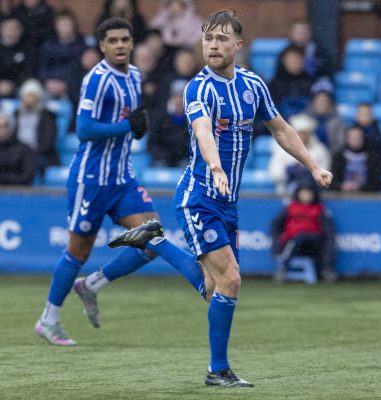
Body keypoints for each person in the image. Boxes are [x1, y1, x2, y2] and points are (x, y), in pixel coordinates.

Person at [110, 10, 332, 387]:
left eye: (221, 38)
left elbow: (280, 128)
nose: (213, 45)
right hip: (199, 196)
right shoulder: (199, 88)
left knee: (213, 288)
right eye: (208, 38)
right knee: (231, 279)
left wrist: (312, 166)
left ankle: (154, 241)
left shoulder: (253, 84)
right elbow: (202, 131)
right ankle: (218, 370)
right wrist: (215, 167)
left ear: (238, 45)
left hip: (227, 201)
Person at [35, 17, 207, 347]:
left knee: (151, 236)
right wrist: (128, 126)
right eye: (112, 40)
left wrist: (137, 127)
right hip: (92, 179)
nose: (119, 45)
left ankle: (92, 284)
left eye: (124, 40)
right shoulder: (97, 80)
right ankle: (48, 319)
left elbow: (130, 123)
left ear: (132, 43)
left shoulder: (134, 75)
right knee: (78, 251)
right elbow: (84, 129)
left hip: (122, 177)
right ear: (102, 45)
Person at [270, 182, 336, 282]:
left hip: (314, 241)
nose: (306, 195)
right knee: (297, 239)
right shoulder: (291, 208)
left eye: (309, 193)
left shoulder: (319, 209)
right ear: (298, 194)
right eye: (303, 193)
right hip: (295, 240)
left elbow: (328, 230)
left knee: (328, 242)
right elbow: (275, 225)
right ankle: (282, 269)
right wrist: (277, 240)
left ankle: (326, 270)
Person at [268, 113, 331, 194]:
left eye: (305, 133)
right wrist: (288, 171)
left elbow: (325, 174)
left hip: (312, 191)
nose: (302, 136)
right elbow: (274, 174)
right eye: (299, 133)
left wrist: (308, 173)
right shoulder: (282, 150)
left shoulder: (320, 150)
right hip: (286, 191)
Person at [14, 79, 59, 179]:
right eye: (27, 96)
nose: (30, 99)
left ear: (39, 98)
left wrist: (32, 152)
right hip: (19, 152)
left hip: (40, 153)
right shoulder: (17, 113)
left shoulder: (47, 116)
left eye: (33, 96)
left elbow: (49, 140)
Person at [38, 9, 86, 99]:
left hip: (74, 86)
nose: (65, 27)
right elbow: (42, 67)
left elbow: (80, 69)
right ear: (56, 26)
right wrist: (48, 82)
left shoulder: (82, 45)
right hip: (50, 85)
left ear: (73, 25)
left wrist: (67, 83)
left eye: (67, 24)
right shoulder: (48, 45)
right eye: (61, 24)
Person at [330, 125, 381, 192]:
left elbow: (376, 182)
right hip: (340, 195)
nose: (356, 140)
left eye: (358, 137)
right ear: (347, 139)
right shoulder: (338, 157)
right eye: (353, 137)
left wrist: (361, 188)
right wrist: (341, 186)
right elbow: (332, 181)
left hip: (367, 195)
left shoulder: (372, 157)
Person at [268, 44, 314, 119]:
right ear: (284, 60)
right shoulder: (274, 84)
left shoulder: (311, 82)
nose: (295, 62)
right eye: (292, 58)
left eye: (298, 58)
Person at [0, 16, 35, 98]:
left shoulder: (28, 46)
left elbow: (29, 69)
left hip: (21, 84)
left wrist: (14, 84)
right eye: (10, 29)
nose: (13, 31)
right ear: (1, 30)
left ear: (21, 30)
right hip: (1, 84)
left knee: (32, 87)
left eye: (16, 28)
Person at [0, 112, 35, 185]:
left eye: (5, 126)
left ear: (11, 127)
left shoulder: (24, 149)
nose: (2, 130)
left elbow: (27, 176)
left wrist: (4, 179)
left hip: (18, 190)